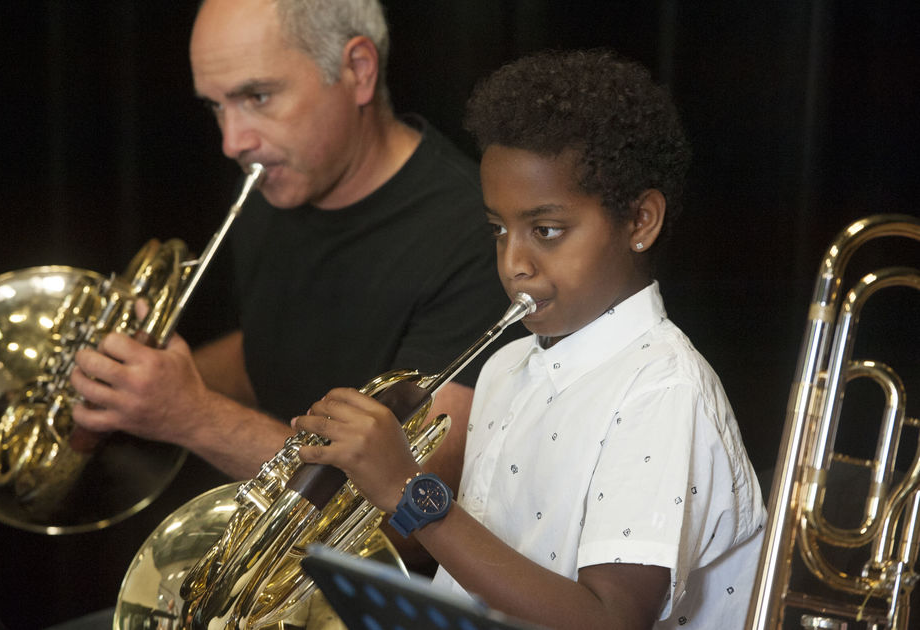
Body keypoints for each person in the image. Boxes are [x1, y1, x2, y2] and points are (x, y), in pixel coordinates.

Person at [292, 49, 768, 630]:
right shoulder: (507, 367)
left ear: (640, 221)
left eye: (546, 230)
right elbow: (484, 572)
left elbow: (611, 620)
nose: (513, 262)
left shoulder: (662, 391)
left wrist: (410, 491)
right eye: (498, 229)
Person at [70, 0, 513, 508]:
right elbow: (276, 348)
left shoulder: (478, 239)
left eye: (258, 96)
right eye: (216, 106)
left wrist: (190, 413)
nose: (232, 141)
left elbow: (416, 504)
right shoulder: (276, 188)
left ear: (358, 71)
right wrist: (123, 382)